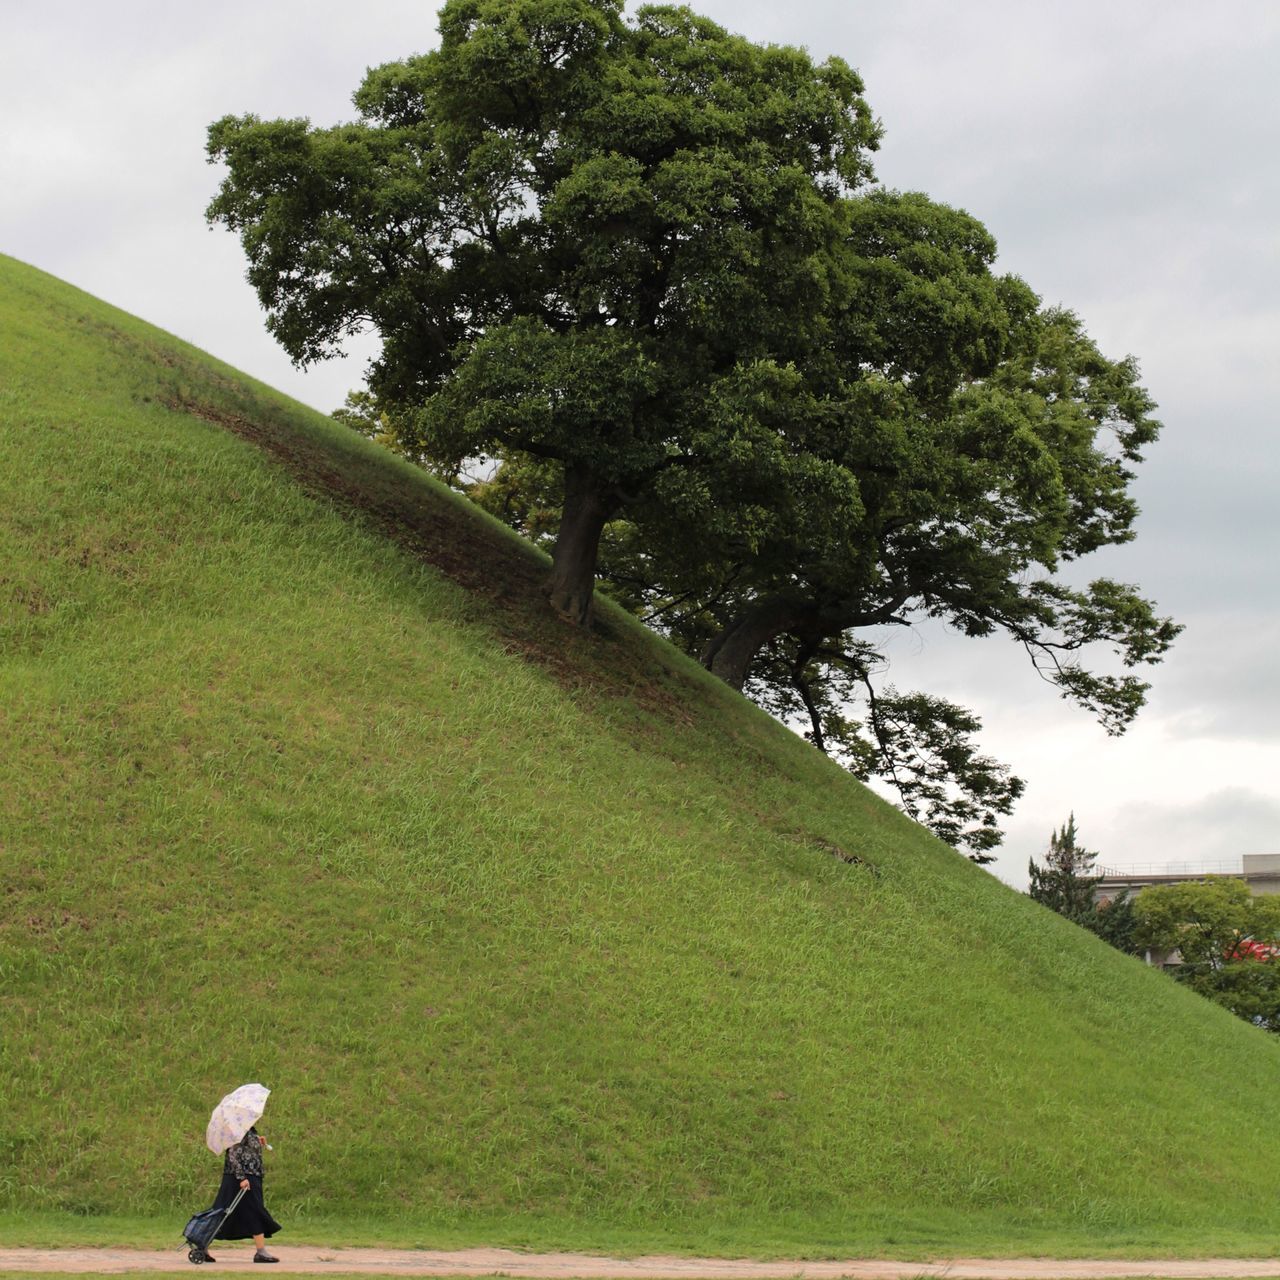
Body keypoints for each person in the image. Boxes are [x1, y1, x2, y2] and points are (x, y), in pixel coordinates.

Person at [209, 1125, 281, 1263]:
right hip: (242, 1179)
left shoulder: (250, 1131)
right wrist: (242, 1178)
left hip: (252, 1177)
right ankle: (261, 1252)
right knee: (234, 1211)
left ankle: (202, 1245)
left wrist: (258, 1143)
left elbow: (246, 1153)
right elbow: (232, 1155)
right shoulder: (237, 1131)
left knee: (247, 1212)